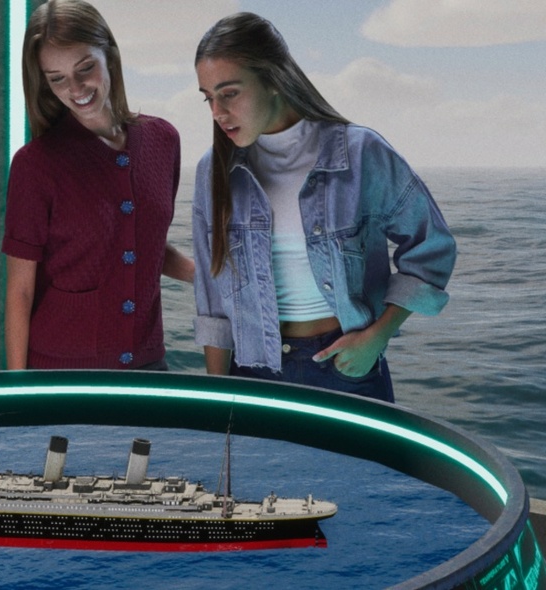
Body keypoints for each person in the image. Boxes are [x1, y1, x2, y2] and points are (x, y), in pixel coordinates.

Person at [192, 13, 456, 402]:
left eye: (229, 93)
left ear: (274, 79)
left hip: (347, 368)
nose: (217, 112)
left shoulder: (361, 153)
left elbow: (431, 248)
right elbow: (212, 301)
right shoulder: (213, 171)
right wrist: (219, 398)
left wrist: (375, 337)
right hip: (251, 377)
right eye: (208, 98)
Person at [2, 0, 194, 371]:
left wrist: (206, 279)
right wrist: (18, 391)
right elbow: (20, 291)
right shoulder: (34, 164)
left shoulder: (163, 140)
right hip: (59, 370)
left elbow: (143, 240)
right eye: (56, 78)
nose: (75, 89)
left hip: (148, 362)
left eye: (85, 68)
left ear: (110, 56)